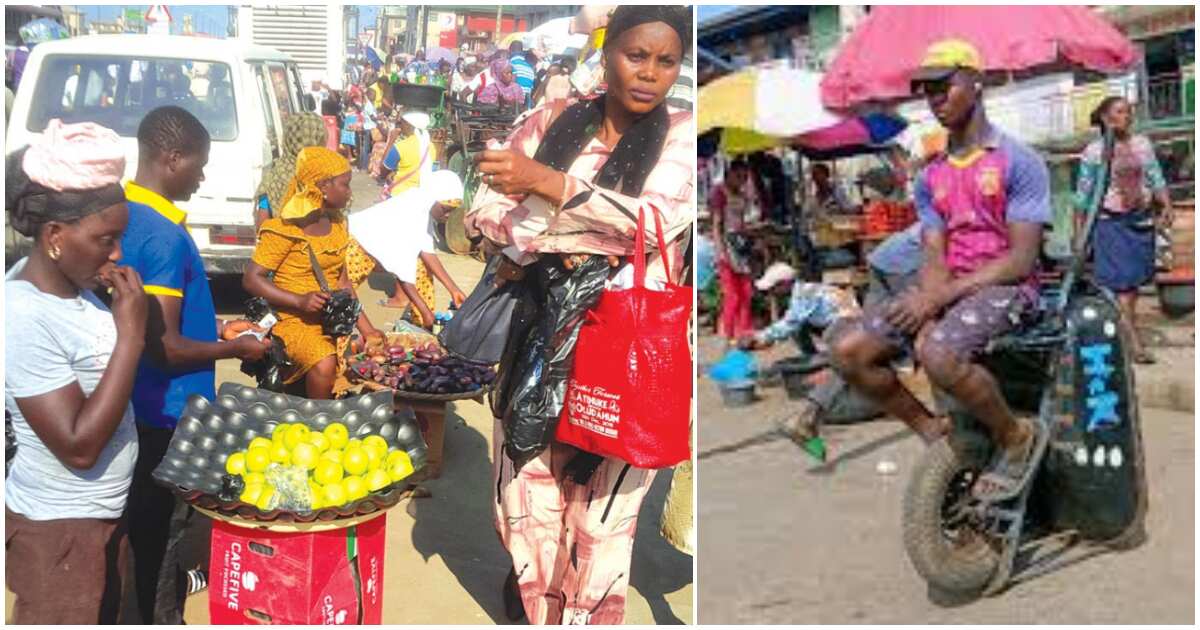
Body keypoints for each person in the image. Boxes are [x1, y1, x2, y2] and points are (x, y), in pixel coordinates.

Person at [465, 5, 693, 624]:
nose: (648, 73)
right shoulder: (550, 120)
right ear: (607, 50)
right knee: (526, 494)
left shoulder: (684, 139)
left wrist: (546, 189)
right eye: (635, 55)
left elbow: (653, 222)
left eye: (665, 61)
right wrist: (548, 233)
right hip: (535, 337)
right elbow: (482, 205)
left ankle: (583, 617)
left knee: (602, 519)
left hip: (623, 345)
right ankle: (539, 604)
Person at [829, 39, 1052, 500]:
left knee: (939, 355)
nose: (934, 98)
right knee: (849, 349)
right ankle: (933, 430)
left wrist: (938, 300)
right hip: (950, 290)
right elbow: (933, 253)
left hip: (1008, 288)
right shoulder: (931, 175)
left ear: (976, 82)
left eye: (943, 86)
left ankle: (1016, 437)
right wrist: (928, 309)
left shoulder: (1018, 161)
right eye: (926, 90)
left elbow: (1021, 259)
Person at [120, 106, 271, 624]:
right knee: (163, 533)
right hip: (164, 410)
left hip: (130, 407)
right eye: (198, 165)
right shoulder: (161, 234)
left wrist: (219, 328)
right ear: (171, 157)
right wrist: (236, 350)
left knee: (136, 528)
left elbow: (162, 321)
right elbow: (162, 346)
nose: (202, 177)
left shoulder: (122, 212)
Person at [4, 121, 146, 625]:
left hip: (100, 515)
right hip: (59, 533)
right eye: (105, 240)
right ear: (55, 236)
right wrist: (130, 335)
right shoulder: (22, 313)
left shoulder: (77, 290)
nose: (117, 254)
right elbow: (78, 445)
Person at [243, 147, 383, 399]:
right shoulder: (284, 230)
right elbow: (252, 279)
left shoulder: (338, 224)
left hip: (329, 322)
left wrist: (367, 330)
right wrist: (299, 300)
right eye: (345, 185)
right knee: (325, 361)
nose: (350, 192)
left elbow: (343, 283)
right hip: (291, 321)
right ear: (323, 186)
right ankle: (318, 425)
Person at [1075, 95, 1173, 364]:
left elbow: (1155, 177)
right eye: (1119, 112)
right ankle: (1133, 343)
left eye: (1128, 112)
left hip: (1139, 221)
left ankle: (1126, 331)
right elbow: (1083, 196)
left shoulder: (1141, 144)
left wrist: (1166, 204)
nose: (1126, 117)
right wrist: (1080, 236)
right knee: (1123, 287)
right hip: (1110, 224)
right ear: (1105, 118)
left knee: (1134, 282)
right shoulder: (1094, 152)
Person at [740, 262, 865, 454]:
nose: (771, 293)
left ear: (785, 284)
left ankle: (826, 372)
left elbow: (790, 323)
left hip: (848, 324)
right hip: (841, 322)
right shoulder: (804, 291)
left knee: (802, 330)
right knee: (799, 331)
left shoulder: (805, 294)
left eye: (774, 288)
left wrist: (759, 337)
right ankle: (816, 360)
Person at [349, 170, 469, 329]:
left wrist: (453, 290)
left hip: (373, 248)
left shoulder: (423, 205)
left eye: (451, 211)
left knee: (422, 268)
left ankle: (422, 327)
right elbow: (404, 274)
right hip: (356, 246)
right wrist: (425, 311)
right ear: (432, 198)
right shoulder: (411, 211)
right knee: (341, 299)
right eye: (445, 209)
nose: (447, 215)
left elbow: (427, 251)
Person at [710, 160, 757, 345]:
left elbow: (742, 222)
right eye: (739, 176)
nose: (742, 181)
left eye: (745, 178)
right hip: (726, 247)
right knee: (732, 295)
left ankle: (744, 333)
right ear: (729, 174)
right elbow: (716, 225)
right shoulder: (719, 193)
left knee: (746, 292)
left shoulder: (742, 195)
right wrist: (721, 252)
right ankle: (728, 334)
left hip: (741, 246)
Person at [255, 112, 327, 229]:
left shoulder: (274, 177)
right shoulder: (328, 175)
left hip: (279, 245)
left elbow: (262, 227)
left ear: (288, 138)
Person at [508, 41, 537, 107]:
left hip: (512, 108)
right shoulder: (530, 68)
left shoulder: (509, 64)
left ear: (510, 50)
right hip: (526, 109)